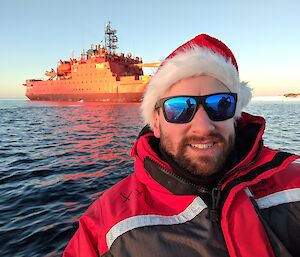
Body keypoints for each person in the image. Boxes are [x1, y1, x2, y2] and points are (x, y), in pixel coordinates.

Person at [63, 34, 300, 257]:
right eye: (179, 108)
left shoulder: (294, 186)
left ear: (236, 115)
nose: (203, 127)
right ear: (155, 122)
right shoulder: (103, 228)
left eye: (220, 104)